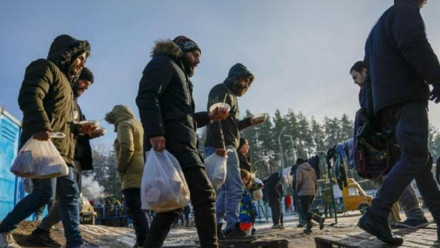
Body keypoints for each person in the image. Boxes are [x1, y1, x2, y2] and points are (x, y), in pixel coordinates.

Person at [358, 0, 440, 245]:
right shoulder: (406, 11)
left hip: (388, 106)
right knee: (415, 156)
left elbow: (370, 78)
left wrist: (373, 113)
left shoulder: (376, 30)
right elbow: (415, 45)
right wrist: (437, 77)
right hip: (407, 97)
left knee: (421, 163)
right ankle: (377, 212)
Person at [0, 34, 93, 248]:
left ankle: (75, 243)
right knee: (44, 194)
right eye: (80, 57)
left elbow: (63, 121)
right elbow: (30, 95)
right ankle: (4, 230)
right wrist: (41, 124)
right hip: (44, 145)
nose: (81, 63)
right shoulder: (44, 67)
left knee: (69, 196)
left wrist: (80, 129)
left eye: (85, 60)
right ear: (67, 53)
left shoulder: (70, 90)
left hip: (64, 151)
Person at [136, 35, 228, 248]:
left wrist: (211, 117)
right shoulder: (164, 63)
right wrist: (155, 132)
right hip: (173, 145)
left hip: (181, 142)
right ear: (182, 51)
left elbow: (184, 118)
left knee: (173, 205)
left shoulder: (181, 76)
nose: (198, 60)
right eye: (195, 54)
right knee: (205, 196)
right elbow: (146, 96)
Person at [26, 67, 105, 247]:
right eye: (84, 82)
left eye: (89, 85)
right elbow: (61, 127)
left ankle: (48, 232)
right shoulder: (61, 99)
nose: (85, 87)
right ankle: (65, 238)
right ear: (76, 78)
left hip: (74, 156)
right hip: (61, 154)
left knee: (70, 199)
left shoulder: (75, 106)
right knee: (58, 196)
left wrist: (90, 132)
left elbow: (75, 131)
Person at [350, 61, 429, 229]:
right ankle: (392, 218)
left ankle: (415, 214)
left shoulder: (377, 85)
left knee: (393, 176)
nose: (354, 81)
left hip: (389, 139)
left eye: (355, 77)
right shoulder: (365, 91)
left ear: (364, 71)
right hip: (379, 142)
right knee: (387, 178)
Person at [204, 63, 265, 241]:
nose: (245, 85)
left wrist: (250, 122)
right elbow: (214, 117)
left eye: (248, 82)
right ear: (234, 78)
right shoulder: (220, 90)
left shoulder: (231, 97)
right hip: (222, 147)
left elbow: (232, 125)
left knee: (226, 190)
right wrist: (220, 145)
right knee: (235, 187)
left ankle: (215, 228)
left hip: (226, 146)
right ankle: (232, 228)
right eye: (243, 80)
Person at [105, 105, 149, 248]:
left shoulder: (124, 125)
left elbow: (127, 148)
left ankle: (144, 241)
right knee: (140, 208)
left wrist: (120, 167)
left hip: (132, 171)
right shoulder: (138, 124)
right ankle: (145, 239)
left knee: (134, 209)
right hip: (142, 169)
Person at [295, 158, 324, 234]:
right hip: (312, 192)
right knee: (308, 210)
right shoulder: (312, 169)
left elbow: (299, 181)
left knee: (305, 211)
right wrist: (315, 192)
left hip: (303, 193)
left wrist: (297, 190)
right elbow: (315, 181)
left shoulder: (299, 168)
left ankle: (319, 219)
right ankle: (308, 228)